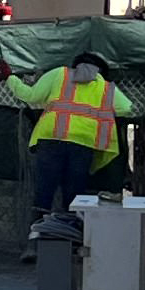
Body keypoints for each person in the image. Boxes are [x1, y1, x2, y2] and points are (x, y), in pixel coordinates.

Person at [13, 51, 135, 218]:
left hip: (51, 137)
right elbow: (126, 108)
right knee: (74, 194)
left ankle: (38, 228)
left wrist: (10, 78)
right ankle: (72, 228)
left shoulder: (60, 74)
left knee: (44, 190)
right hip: (83, 142)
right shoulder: (106, 87)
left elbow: (31, 96)